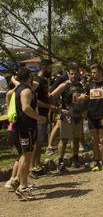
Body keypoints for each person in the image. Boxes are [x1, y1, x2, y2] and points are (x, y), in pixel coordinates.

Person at [13, 67, 46, 200]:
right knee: (26, 156)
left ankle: (21, 181)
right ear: (29, 76)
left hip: (22, 127)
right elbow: (26, 107)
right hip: (26, 128)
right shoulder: (26, 90)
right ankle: (23, 187)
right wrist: (39, 118)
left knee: (24, 155)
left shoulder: (20, 88)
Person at [50, 62, 89, 174]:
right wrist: (58, 109)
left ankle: (75, 159)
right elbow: (52, 96)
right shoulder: (64, 85)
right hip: (66, 116)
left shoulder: (80, 86)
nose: (74, 76)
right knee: (64, 139)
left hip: (77, 116)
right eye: (72, 74)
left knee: (76, 139)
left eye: (75, 74)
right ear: (68, 74)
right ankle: (60, 162)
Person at [86, 63, 103, 172]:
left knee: (102, 139)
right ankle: (96, 161)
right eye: (92, 72)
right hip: (91, 115)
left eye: (95, 72)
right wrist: (82, 98)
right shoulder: (89, 85)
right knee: (94, 139)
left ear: (101, 72)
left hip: (102, 114)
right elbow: (86, 96)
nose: (93, 74)